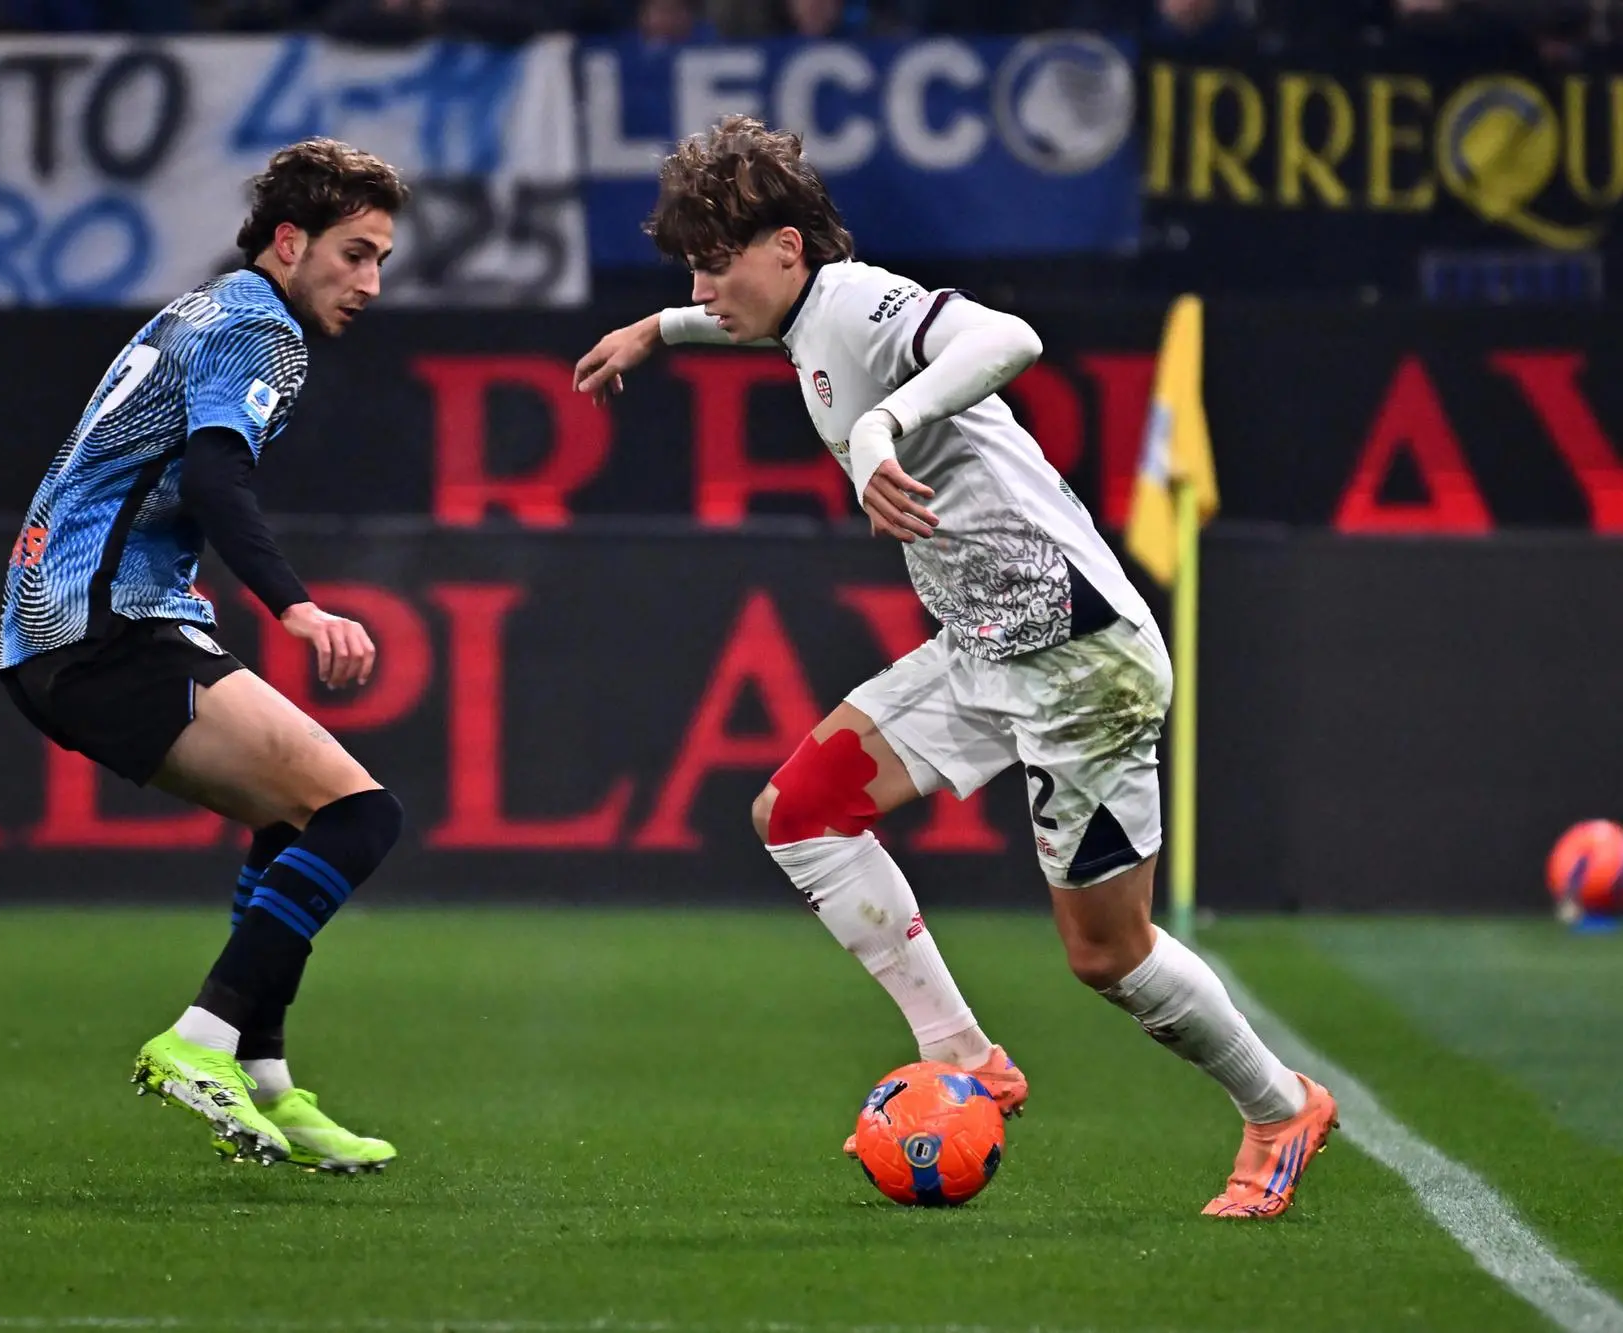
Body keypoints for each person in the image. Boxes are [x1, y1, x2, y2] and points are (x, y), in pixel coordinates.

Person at [572, 115, 1338, 1218]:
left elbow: (1006, 337)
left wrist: (886, 424)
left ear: (788, 248)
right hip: (985, 648)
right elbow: (761, 326)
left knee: (1106, 954)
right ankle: (964, 1052)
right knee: (799, 809)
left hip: (1081, 659)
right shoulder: (799, 317)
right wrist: (663, 327)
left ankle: (1278, 1108)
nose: (706, 285)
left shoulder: (859, 302)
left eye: (715, 265)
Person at [0, 138, 408, 1172]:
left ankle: (265, 1080)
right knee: (362, 815)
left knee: (302, 812)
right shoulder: (261, 329)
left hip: (66, 623)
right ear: (288, 241)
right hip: (105, 625)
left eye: (380, 261)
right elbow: (220, 477)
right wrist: (299, 608)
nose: (368, 282)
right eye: (353, 253)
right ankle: (204, 1039)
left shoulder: (208, 310)